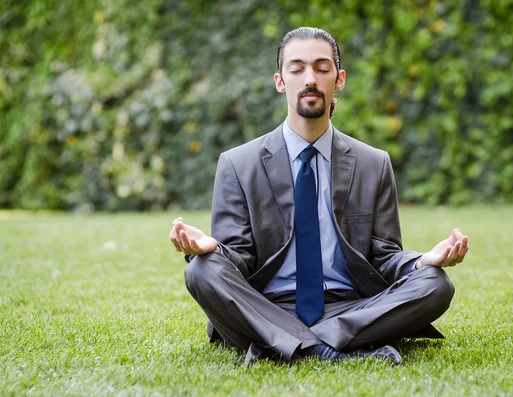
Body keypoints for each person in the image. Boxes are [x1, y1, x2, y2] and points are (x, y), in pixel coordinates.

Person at [170, 27, 469, 366]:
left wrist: (421, 262)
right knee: (201, 271)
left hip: (351, 305)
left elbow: (384, 258)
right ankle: (329, 349)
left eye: (321, 68)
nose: (310, 78)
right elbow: (239, 261)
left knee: (435, 283)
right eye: (296, 68)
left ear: (339, 79)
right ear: (280, 81)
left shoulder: (374, 164)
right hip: (266, 304)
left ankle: (281, 345)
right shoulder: (238, 164)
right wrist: (213, 250)